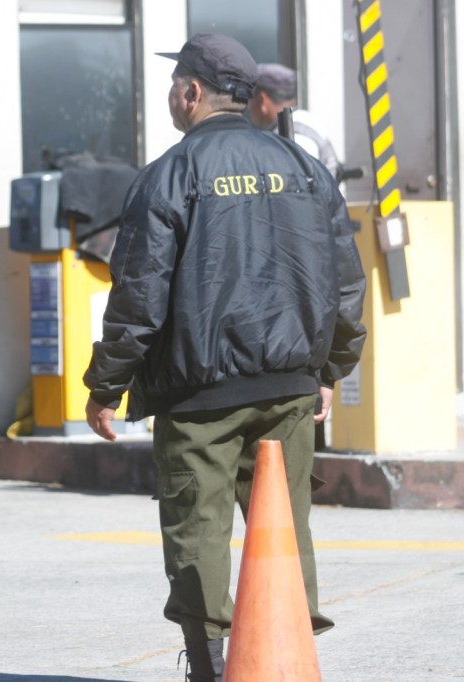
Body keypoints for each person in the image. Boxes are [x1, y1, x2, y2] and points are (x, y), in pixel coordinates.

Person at [82, 33, 367, 681]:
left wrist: (106, 385)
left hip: (200, 396)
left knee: (197, 533)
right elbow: (345, 283)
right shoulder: (305, 169)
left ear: (191, 92)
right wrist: (328, 371)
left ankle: (213, 667)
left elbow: (139, 297)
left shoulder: (169, 175)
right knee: (285, 528)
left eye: (174, 83)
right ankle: (288, 657)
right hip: (291, 387)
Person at [247, 62, 343, 183]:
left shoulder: (297, 133)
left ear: (262, 99)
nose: (249, 106)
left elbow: (300, 186)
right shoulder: (304, 120)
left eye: (250, 98)